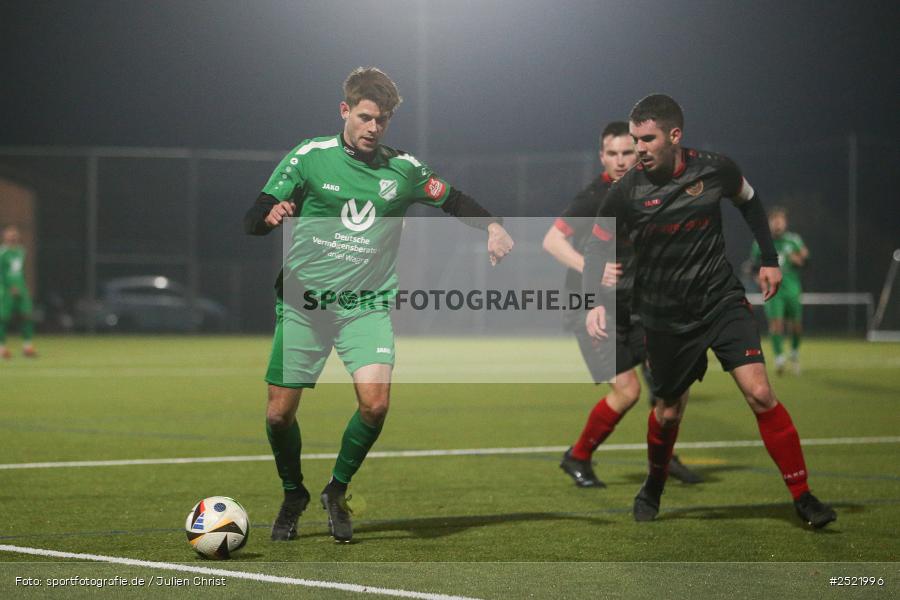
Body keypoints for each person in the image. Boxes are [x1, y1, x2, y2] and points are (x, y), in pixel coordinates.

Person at [243, 67, 514, 543]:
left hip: (364, 306)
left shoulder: (402, 169)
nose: (373, 128)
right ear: (345, 111)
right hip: (304, 304)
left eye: (382, 120)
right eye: (365, 117)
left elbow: (453, 200)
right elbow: (254, 216)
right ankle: (294, 493)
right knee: (277, 415)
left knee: (376, 405)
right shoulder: (310, 157)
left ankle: (336, 490)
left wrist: (492, 226)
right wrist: (270, 215)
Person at [583, 94, 836, 528]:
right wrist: (593, 300)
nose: (638, 149)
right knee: (668, 413)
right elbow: (597, 244)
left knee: (759, 392)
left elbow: (751, 203)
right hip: (664, 317)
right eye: (634, 139)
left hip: (720, 299)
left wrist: (771, 261)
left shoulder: (715, 168)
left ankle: (803, 496)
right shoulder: (626, 191)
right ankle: (655, 483)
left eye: (647, 139)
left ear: (675, 136)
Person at [542, 121, 701, 487]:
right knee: (627, 391)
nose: (619, 160)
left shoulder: (650, 190)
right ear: (602, 156)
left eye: (626, 152)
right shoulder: (595, 196)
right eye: (612, 154)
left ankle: (664, 458)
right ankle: (577, 456)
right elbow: (551, 240)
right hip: (591, 306)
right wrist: (590, 268)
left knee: (671, 388)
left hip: (638, 306)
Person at [750, 207, 808, 375]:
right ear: (769, 223)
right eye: (774, 221)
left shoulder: (793, 240)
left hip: (792, 288)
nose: (777, 224)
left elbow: (805, 258)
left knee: (796, 326)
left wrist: (798, 258)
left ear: (785, 223)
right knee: (776, 324)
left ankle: (795, 353)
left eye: (780, 221)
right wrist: (759, 279)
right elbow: (754, 267)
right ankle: (779, 358)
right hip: (773, 290)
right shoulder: (761, 242)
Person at [0, 225, 37, 359]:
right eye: (10, 235)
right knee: (3, 319)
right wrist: (9, 287)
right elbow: (2, 273)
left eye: (15, 234)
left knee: (27, 316)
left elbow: (18, 272)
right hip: (5, 290)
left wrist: (21, 286)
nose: (13, 237)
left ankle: (27, 347)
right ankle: (2, 348)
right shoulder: (2, 253)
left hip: (21, 289)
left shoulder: (21, 251)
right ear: (5, 236)